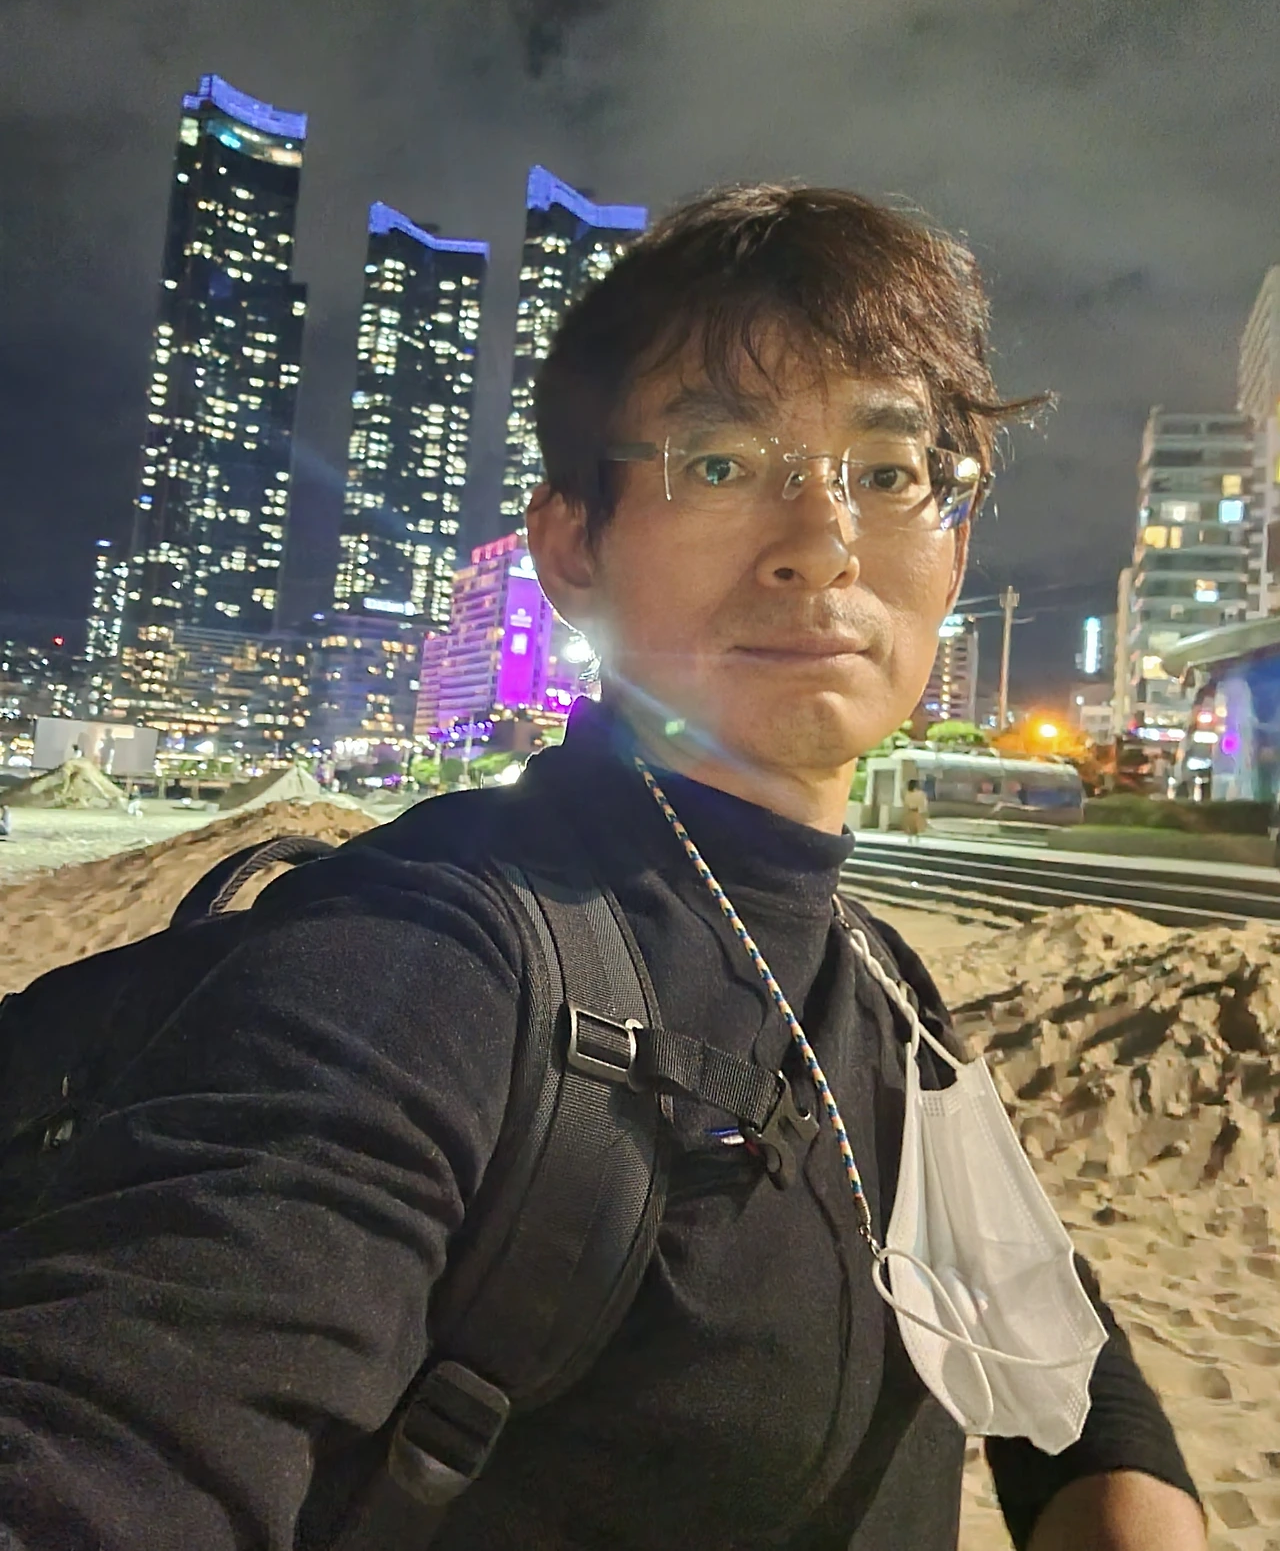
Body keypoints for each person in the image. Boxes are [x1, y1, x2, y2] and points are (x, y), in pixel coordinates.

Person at [0, 186, 1204, 1551]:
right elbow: (124, 1420)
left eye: (886, 472)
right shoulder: (428, 962)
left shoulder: (887, 984)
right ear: (572, 543)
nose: (824, 543)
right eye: (720, 463)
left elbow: (1062, 1344)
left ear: (956, 542)